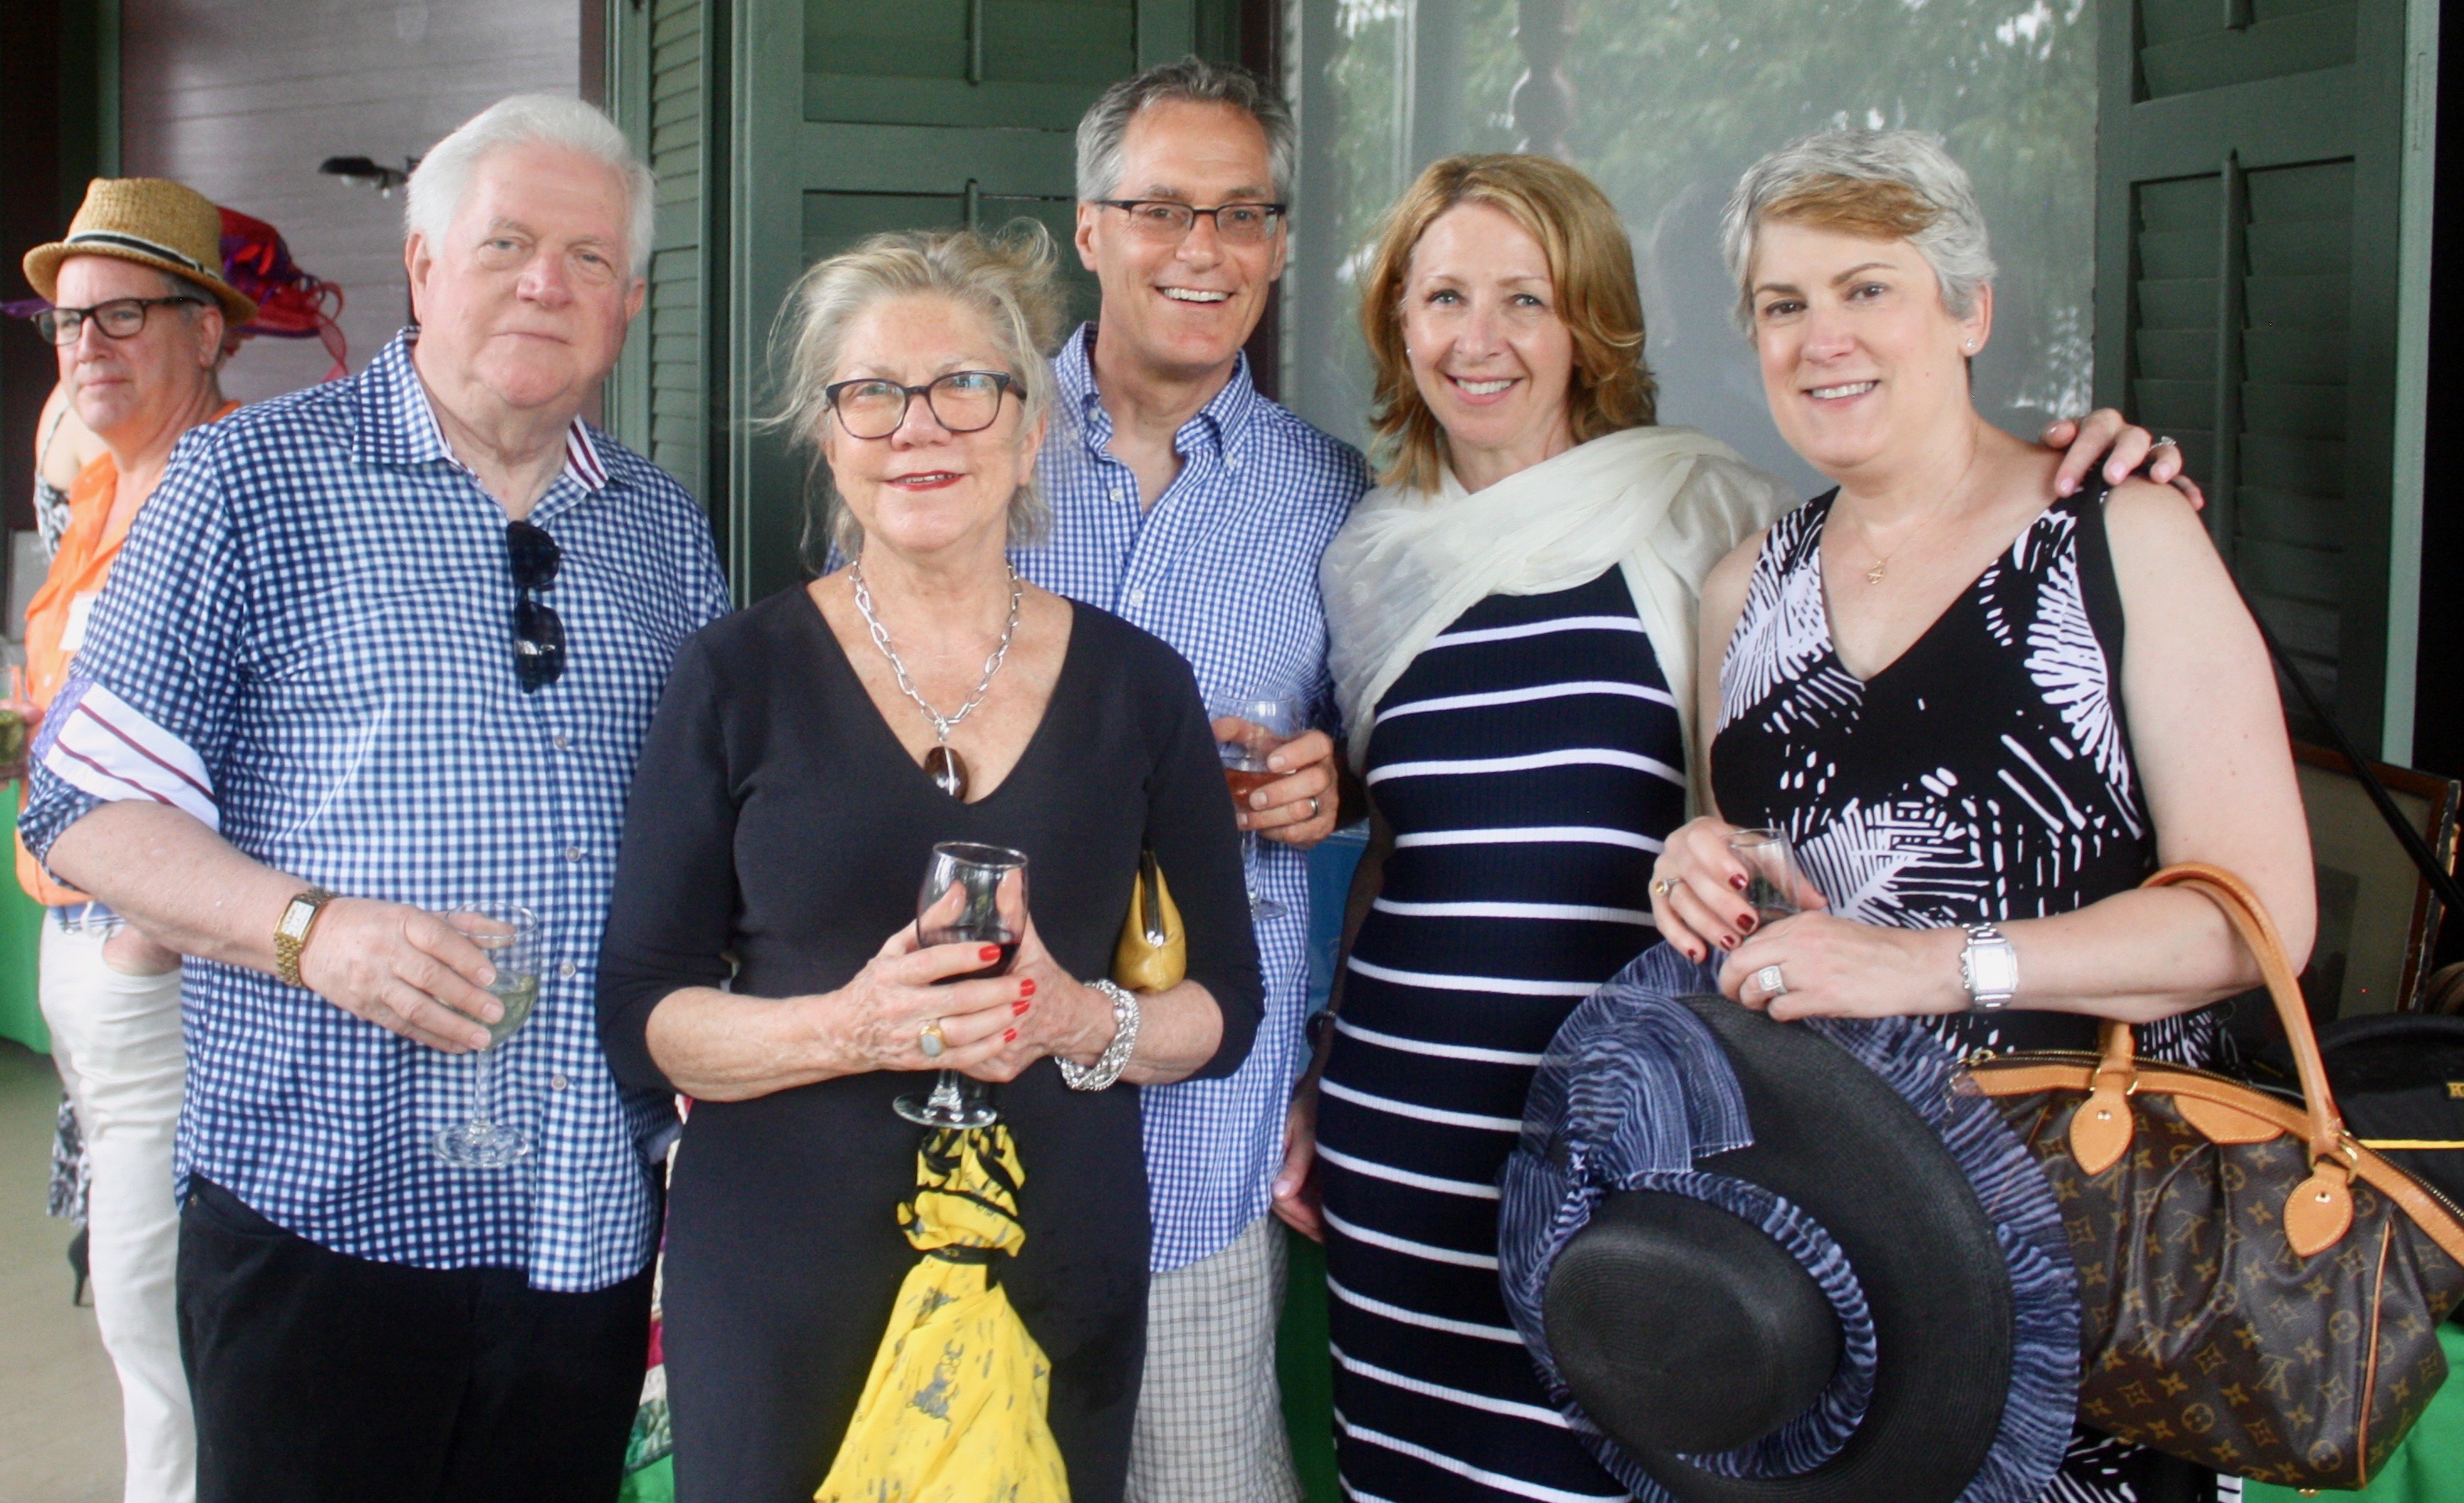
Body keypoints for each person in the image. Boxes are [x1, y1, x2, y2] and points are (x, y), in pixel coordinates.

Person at [1283, 151, 2195, 1503]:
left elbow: (1799, 819)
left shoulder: (1711, 519)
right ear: (1397, 323)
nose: (1480, 341)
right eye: (1443, 298)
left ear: (1591, 319)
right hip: (1394, 1132)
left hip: (1631, 1149)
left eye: (1526, 299)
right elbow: (1404, 862)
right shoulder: (1368, 554)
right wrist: (1315, 1061)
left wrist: (2077, 473)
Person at [18, 95, 729, 1503]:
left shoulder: (664, 530)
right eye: (507, 243)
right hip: (316, 1205)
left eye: (590, 260)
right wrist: (311, 931)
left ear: (631, 304)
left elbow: (718, 831)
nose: (547, 281)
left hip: (577, 1211)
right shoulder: (251, 481)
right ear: (420, 267)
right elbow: (81, 805)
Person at [1654, 128, 2314, 1502]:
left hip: (2093, 1270)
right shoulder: (1741, 591)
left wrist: (1944, 962)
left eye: (1868, 288)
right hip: (1823, 1271)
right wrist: (1701, 859)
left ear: (1970, 312)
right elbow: (1787, 889)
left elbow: (2260, 918)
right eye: (1785, 304)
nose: (1821, 337)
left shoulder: (2121, 536)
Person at [594, 222, 1263, 1503]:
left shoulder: (1139, 687)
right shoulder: (734, 677)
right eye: (872, 394)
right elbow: (646, 1017)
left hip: (1051, 1268)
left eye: (966, 386)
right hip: (782, 1273)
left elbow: (1224, 1014)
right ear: (828, 435)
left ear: (1028, 432)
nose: (920, 428)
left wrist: (1077, 1016)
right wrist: (850, 1029)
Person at [1021, 57, 1366, 1500]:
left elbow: (1379, 769)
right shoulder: (965, 439)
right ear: (1091, 230)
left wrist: (1329, 789)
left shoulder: (1334, 494)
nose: (1204, 250)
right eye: (1162, 209)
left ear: (1281, 246)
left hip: (1207, 1144)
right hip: (979, 1108)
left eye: (1242, 216)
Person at [8, 174, 253, 1503]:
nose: (85, 350)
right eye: (64, 322)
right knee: (130, 1296)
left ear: (207, 330)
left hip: (152, 959)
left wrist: (143, 948)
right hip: (79, 933)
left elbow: (259, 741)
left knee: (160, 1313)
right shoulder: (114, 481)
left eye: (123, 319)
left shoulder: (220, 491)